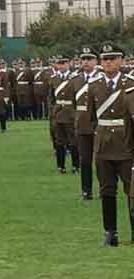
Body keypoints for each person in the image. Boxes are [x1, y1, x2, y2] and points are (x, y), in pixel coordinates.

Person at [88, 43, 134, 247]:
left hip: (127, 146)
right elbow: (91, 119)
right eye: (105, 59)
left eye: (112, 58)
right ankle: (110, 233)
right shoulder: (94, 86)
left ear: (121, 61)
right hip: (103, 147)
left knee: (132, 191)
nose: (108, 62)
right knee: (106, 190)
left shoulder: (131, 85)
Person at [72, 48, 101, 200]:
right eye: (83, 59)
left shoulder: (102, 78)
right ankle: (86, 190)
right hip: (82, 124)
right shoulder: (76, 79)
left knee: (103, 161)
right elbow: (72, 103)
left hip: (99, 124)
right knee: (85, 160)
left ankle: (106, 189)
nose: (86, 62)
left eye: (89, 59)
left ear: (96, 62)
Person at [49, 56, 79, 174]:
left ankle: (75, 166)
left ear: (69, 64)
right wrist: (52, 112)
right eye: (59, 64)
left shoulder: (75, 78)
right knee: (59, 141)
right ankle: (60, 166)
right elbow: (51, 97)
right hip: (58, 113)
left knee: (73, 141)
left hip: (70, 112)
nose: (61, 66)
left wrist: (76, 113)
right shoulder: (54, 78)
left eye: (64, 63)